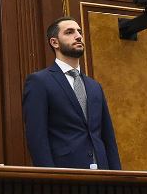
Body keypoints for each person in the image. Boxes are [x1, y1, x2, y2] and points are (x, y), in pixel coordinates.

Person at [22, 17, 121, 170]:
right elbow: (37, 137)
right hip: (65, 174)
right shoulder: (39, 82)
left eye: (79, 32)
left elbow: (108, 138)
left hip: (103, 174)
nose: (78, 36)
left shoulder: (95, 86)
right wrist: (50, 179)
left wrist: (118, 178)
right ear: (54, 42)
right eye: (69, 32)